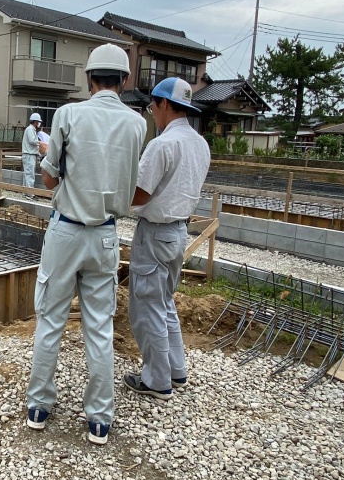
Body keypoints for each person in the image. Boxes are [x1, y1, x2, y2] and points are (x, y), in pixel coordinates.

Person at [26, 44, 145, 446]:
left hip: (66, 231)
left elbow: (48, 180)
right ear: (124, 81)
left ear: (89, 78)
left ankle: (39, 407)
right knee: (99, 329)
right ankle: (99, 419)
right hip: (106, 235)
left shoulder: (68, 114)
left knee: (51, 321)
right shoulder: (137, 124)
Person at [124, 77, 210, 401]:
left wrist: (112, 199)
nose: (152, 114)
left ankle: (157, 380)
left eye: (152, 107)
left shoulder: (162, 144)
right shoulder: (199, 144)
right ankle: (176, 370)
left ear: (162, 104)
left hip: (155, 233)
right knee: (164, 302)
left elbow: (140, 193)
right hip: (179, 232)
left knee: (147, 307)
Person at [22, 113, 43, 188]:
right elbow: (32, 141)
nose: (39, 124)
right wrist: (41, 143)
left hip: (29, 155)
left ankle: (26, 192)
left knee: (27, 174)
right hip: (29, 155)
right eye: (38, 122)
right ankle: (30, 193)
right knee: (30, 174)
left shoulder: (31, 130)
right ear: (35, 122)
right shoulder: (30, 129)